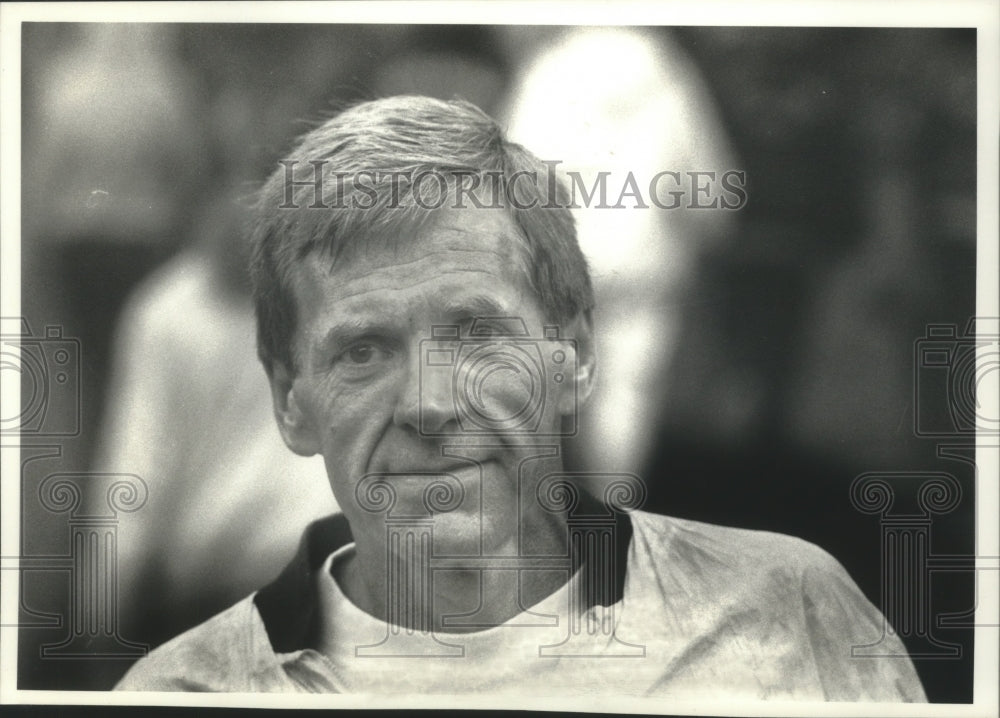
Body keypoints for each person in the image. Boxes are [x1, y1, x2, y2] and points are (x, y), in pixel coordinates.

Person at [116, 96, 925, 701]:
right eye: (364, 350)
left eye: (473, 334)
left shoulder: (785, 613)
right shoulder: (185, 693)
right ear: (292, 401)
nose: (430, 405)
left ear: (571, 357)